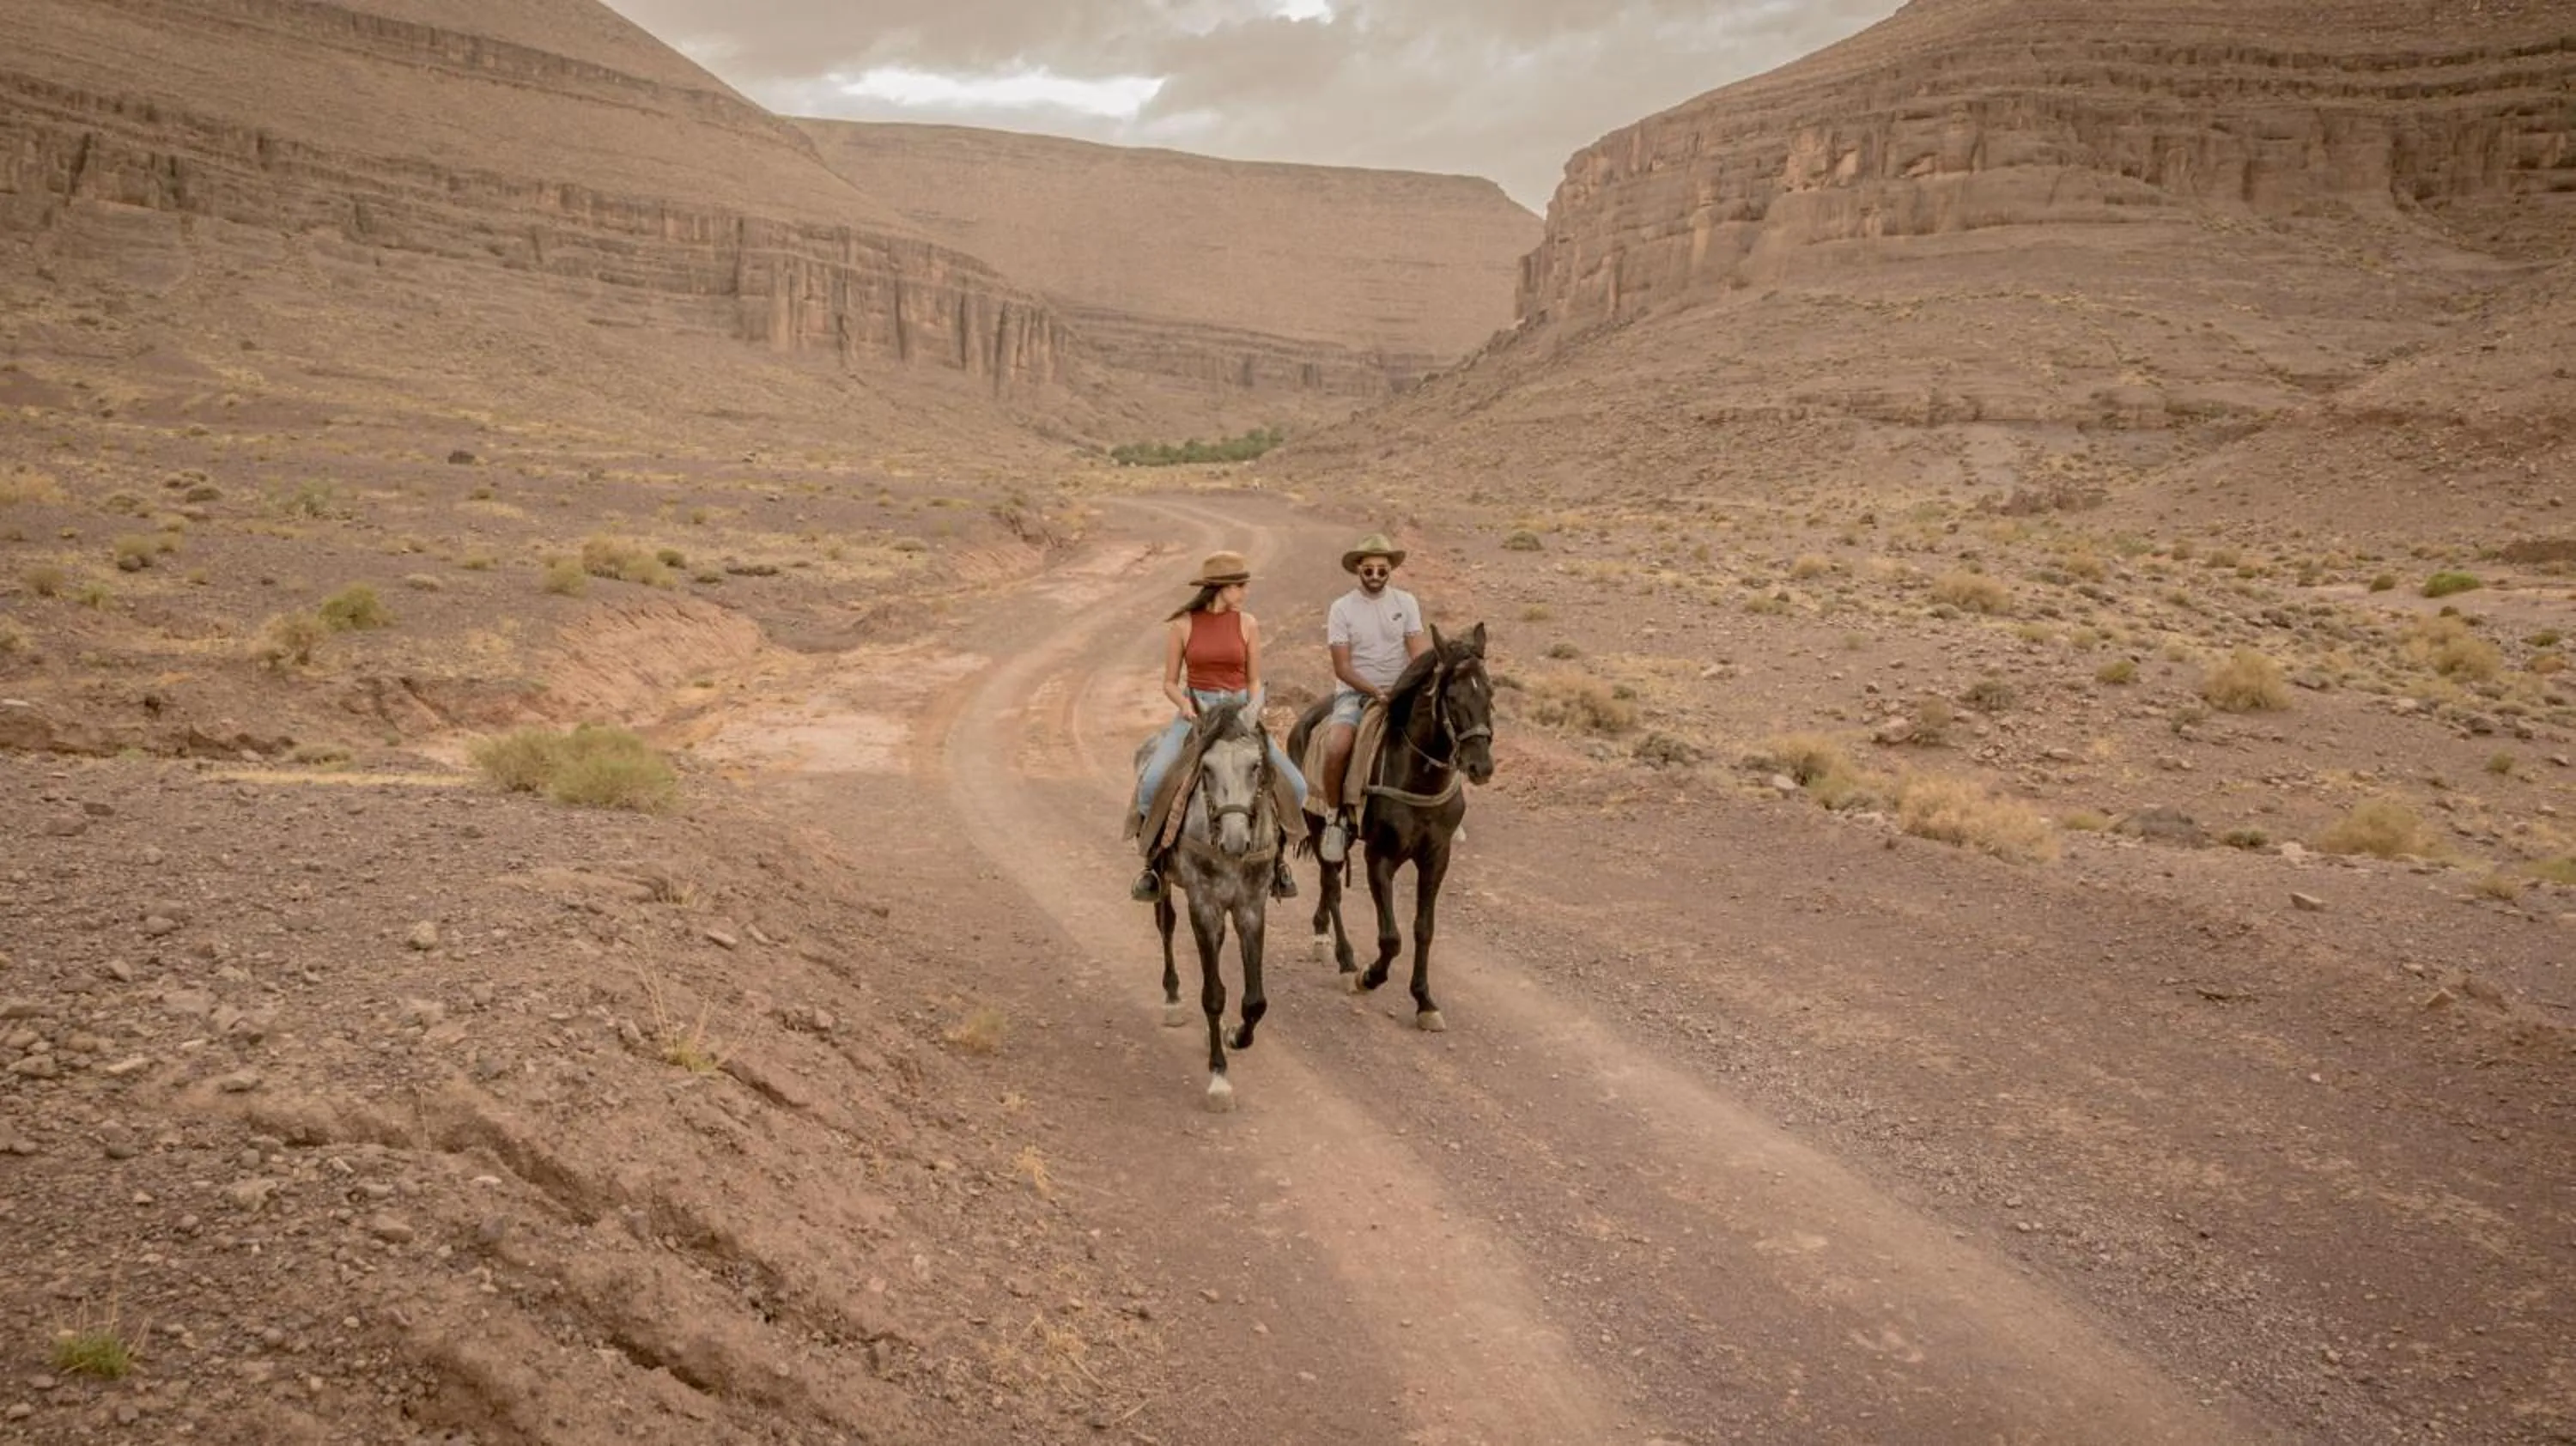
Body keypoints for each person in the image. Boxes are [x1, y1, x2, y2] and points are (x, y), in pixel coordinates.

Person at [1132, 550, 1306, 902]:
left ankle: (1278, 864)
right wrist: (1184, 705)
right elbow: (1169, 681)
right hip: (1197, 709)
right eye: (1239, 585)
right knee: (1151, 785)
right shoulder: (1182, 625)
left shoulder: (1248, 623)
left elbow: (1254, 679)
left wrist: (1255, 709)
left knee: (1297, 787)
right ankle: (1154, 865)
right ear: (1220, 588)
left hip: (1241, 711)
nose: (1244, 591)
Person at [1318, 532, 1431, 862]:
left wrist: (1417, 681)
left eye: (1382, 570)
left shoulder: (1406, 602)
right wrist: (1376, 691)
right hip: (1357, 692)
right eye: (1369, 570)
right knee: (1338, 745)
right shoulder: (1342, 609)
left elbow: (1418, 650)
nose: (1376, 576)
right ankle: (1334, 818)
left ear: (1390, 570)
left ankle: (1444, 812)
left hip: (1400, 689)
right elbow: (1342, 666)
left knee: (1441, 731)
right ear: (1358, 570)